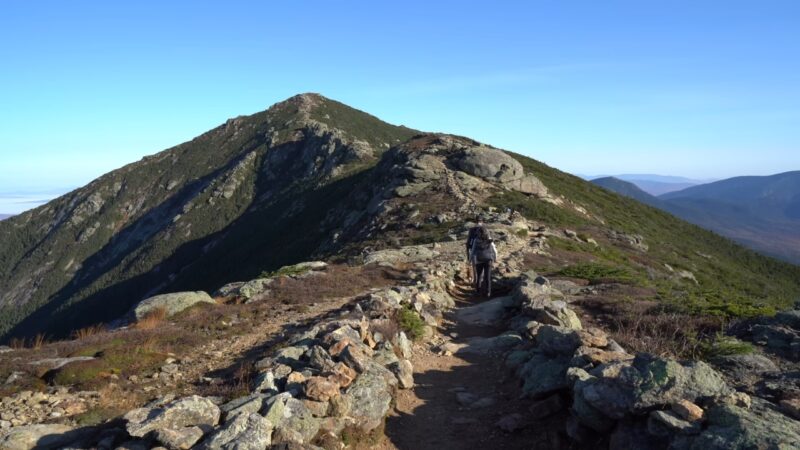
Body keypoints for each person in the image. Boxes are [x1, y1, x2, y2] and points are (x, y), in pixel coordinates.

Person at [470, 226, 497, 297]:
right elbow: (494, 250)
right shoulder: (489, 239)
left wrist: (470, 259)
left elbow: (472, 251)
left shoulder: (476, 240)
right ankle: (488, 292)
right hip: (488, 259)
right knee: (487, 277)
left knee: (479, 276)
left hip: (479, 260)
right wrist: (495, 258)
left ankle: (478, 291)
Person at [465, 217, 484, 286]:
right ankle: (481, 281)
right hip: (483, 250)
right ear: (482, 222)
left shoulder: (472, 230)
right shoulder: (485, 229)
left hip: (474, 250)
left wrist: (468, 251)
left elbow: (468, 241)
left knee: (475, 266)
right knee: (482, 267)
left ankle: (476, 281)